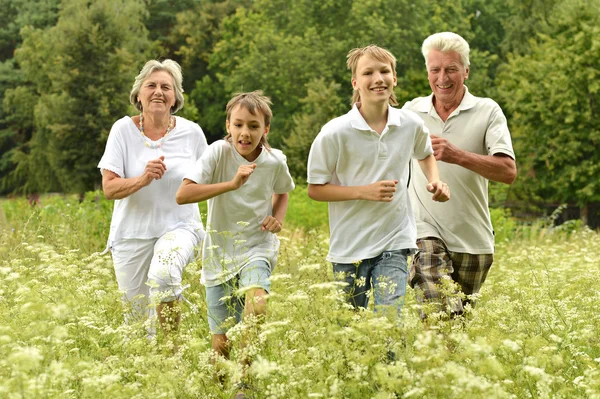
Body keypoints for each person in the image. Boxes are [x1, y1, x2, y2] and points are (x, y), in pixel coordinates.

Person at [307, 45, 450, 322]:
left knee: (389, 323)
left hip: (395, 241)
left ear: (394, 78)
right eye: (368, 73)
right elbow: (315, 189)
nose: (378, 78)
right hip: (349, 248)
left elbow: (425, 154)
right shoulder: (334, 132)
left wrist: (436, 181)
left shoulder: (411, 124)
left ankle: (389, 367)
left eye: (384, 71)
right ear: (355, 82)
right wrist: (363, 192)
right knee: (350, 330)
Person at [176, 91, 294, 397]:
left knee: (258, 304)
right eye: (239, 124)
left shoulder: (274, 161)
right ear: (228, 125)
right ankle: (220, 390)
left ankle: (245, 381)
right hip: (219, 253)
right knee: (221, 343)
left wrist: (276, 218)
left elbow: (283, 191)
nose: (245, 132)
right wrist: (231, 184)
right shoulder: (218, 153)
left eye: (253, 126)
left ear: (265, 129)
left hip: (258, 245)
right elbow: (183, 195)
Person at [404, 32, 517, 318]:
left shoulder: (487, 111)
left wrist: (457, 155)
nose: (443, 77)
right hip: (423, 230)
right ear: (427, 71)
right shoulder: (411, 112)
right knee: (436, 311)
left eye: (451, 69)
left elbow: (508, 171)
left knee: (457, 326)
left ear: (466, 71)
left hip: (473, 241)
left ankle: (446, 362)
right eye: (435, 69)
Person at [98, 59, 207, 336]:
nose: (158, 91)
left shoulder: (192, 133)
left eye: (166, 87)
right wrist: (142, 179)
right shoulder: (122, 130)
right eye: (151, 85)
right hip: (131, 234)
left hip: (180, 227)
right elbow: (109, 188)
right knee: (135, 324)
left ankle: (171, 354)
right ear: (138, 95)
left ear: (175, 98)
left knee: (164, 273)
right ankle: (147, 371)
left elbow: (213, 179)